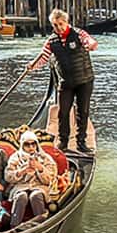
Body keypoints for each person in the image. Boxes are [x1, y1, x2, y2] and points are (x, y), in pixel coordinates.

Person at [27, 8, 97, 153]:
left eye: (60, 24)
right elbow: (43, 57)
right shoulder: (51, 41)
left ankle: (81, 142)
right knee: (62, 112)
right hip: (65, 82)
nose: (58, 27)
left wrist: (91, 44)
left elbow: (89, 41)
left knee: (82, 111)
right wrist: (32, 66)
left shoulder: (79, 34)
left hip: (84, 80)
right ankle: (63, 142)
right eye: (55, 25)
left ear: (66, 22)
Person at [4, 131, 57, 227]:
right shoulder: (15, 158)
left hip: (39, 186)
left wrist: (40, 168)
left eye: (33, 144)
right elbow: (8, 176)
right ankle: (14, 225)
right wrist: (22, 171)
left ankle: (40, 225)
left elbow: (50, 179)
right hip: (20, 186)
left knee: (36, 195)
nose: (31, 147)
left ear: (37, 144)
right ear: (22, 145)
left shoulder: (45, 158)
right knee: (21, 196)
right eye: (27, 144)